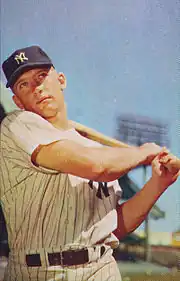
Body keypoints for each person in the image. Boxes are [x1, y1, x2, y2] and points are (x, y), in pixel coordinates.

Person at [0, 45, 179, 281]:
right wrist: (143, 152)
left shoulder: (95, 149)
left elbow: (113, 226)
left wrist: (159, 182)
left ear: (61, 80)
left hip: (102, 269)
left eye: (41, 76)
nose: (36, 88)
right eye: (24, 84)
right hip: (40, 271)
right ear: (17, 101)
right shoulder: (17, 125)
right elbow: (98, 167)